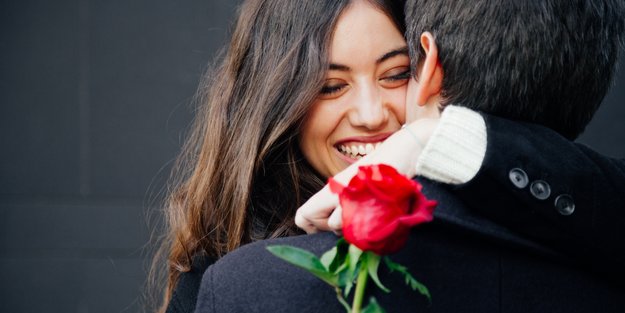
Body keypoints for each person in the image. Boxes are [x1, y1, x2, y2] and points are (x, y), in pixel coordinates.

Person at [193, 0, 625, 312]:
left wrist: (437, 136)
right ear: (275, 102)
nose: (370, 114)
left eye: (397, 73)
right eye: (330, 86)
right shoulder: (223, 277)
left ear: (427, 65)